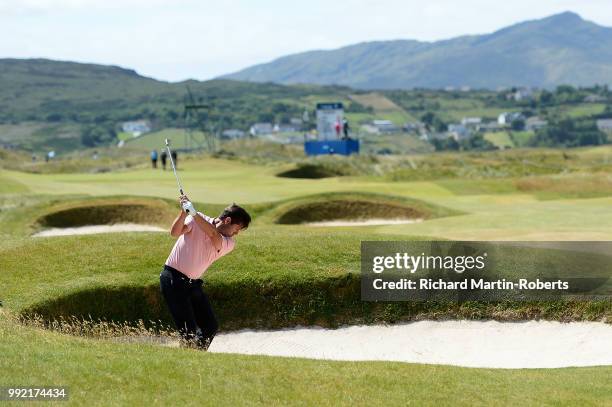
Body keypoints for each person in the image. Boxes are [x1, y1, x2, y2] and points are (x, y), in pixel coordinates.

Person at [160, 197, 251, 350]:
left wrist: (194, 213)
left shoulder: (229, 243)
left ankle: (196, 356)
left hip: (192, 284)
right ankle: (187, 360)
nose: (236, 234)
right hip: (173, 280)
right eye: (237, 229)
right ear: (227, 220)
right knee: (188, 331)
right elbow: (174, 233)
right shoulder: (197, 219)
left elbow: (213, 235)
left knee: (210, 326)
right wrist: (184, 212)